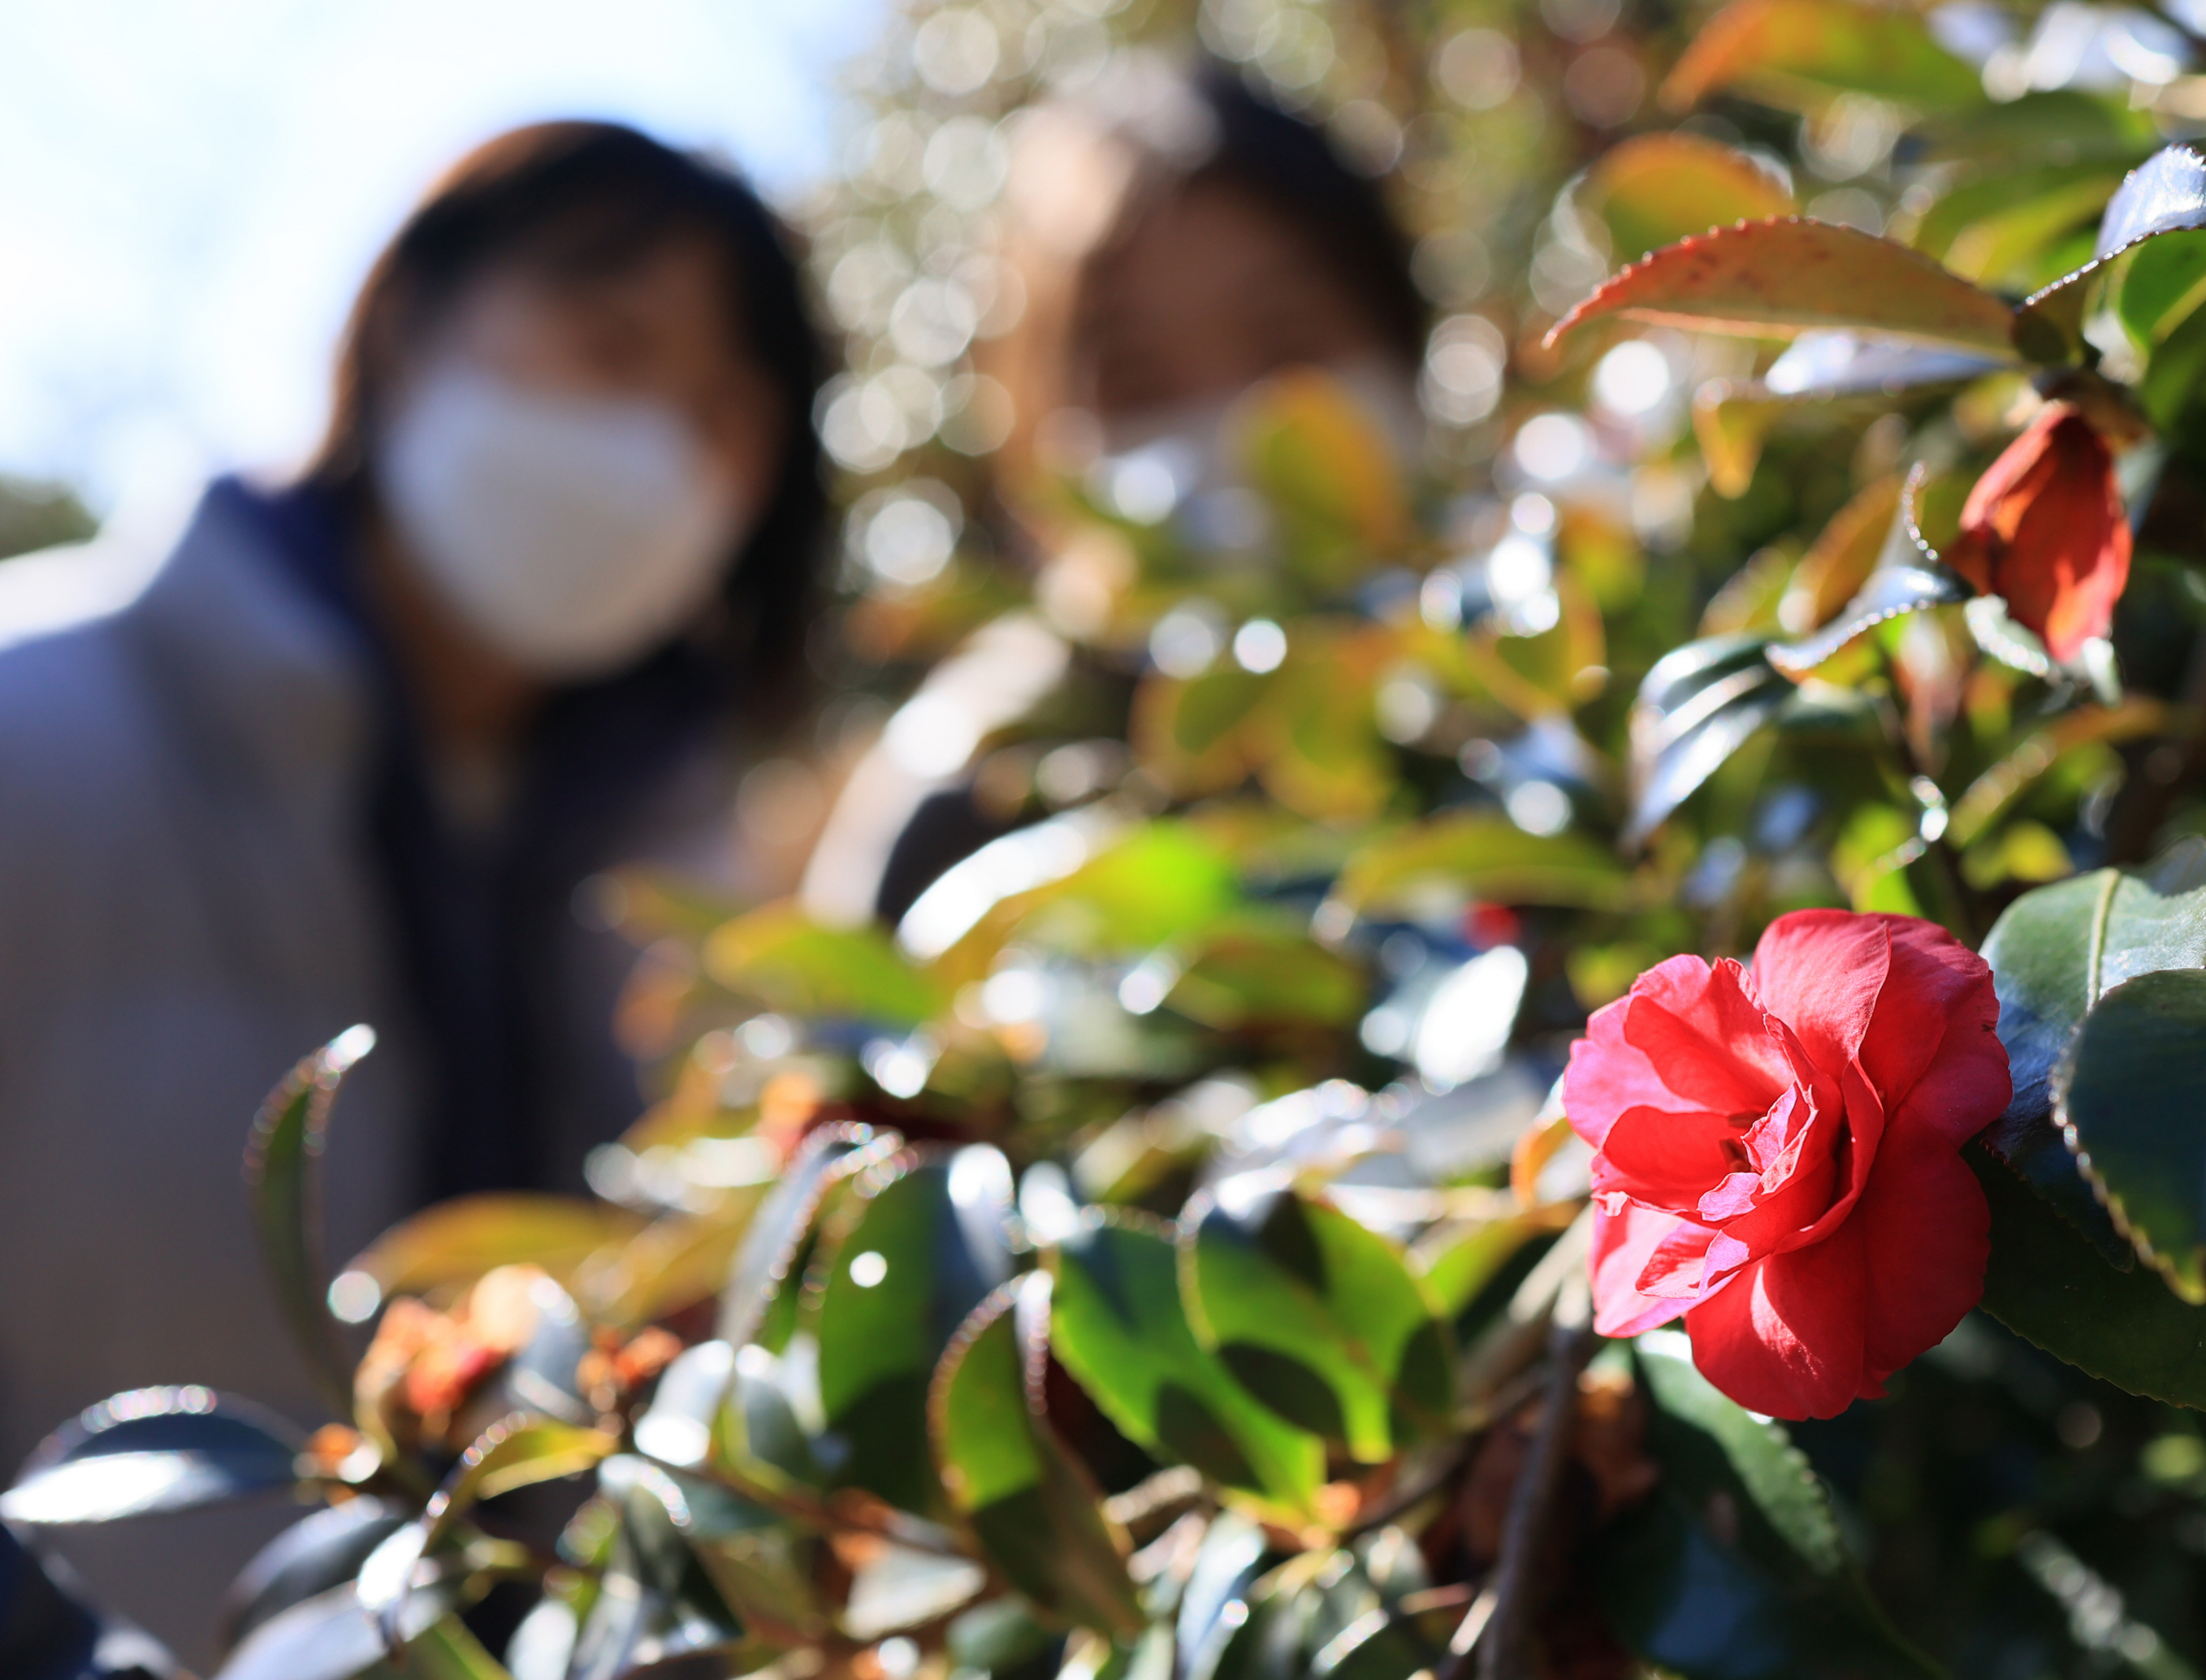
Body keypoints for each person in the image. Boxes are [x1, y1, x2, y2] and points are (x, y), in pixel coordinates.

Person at [0, 121, 828, 1655]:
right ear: (401, 324)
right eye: (609, 343)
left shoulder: (699, 904)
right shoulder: (30, 730)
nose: (654, 441)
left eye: (722, 411)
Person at [801, 58, 1426, 926]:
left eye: (1287, 346)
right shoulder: (960, 802)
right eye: (1136, 380)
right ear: (1033, 442)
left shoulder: (1553, 696)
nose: (1240, 420)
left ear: (1401, 343)